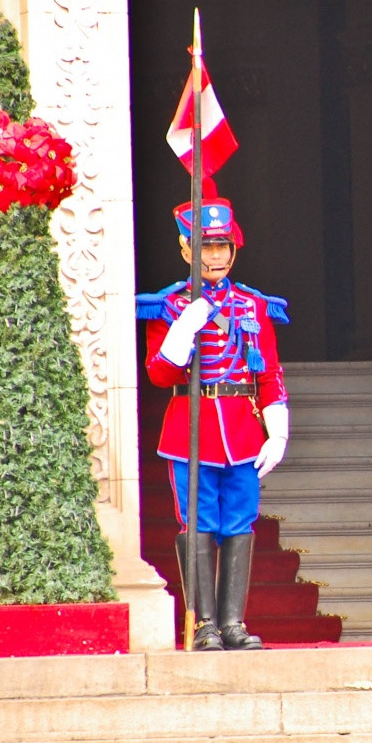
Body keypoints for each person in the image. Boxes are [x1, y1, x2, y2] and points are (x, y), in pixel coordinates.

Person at [137, 197, 289, 650]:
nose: (216, 255)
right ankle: (204, 624)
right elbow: (160, 374)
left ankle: (233, 623)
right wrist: (183, 329)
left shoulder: (253, 306)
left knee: (240, 523)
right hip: (192, 430)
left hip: (243, 430)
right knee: (199, 523)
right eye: (206, 246)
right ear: (187, 250)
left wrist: (278, 428)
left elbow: (269, 372)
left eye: (223, 245)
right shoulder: (166, 306)